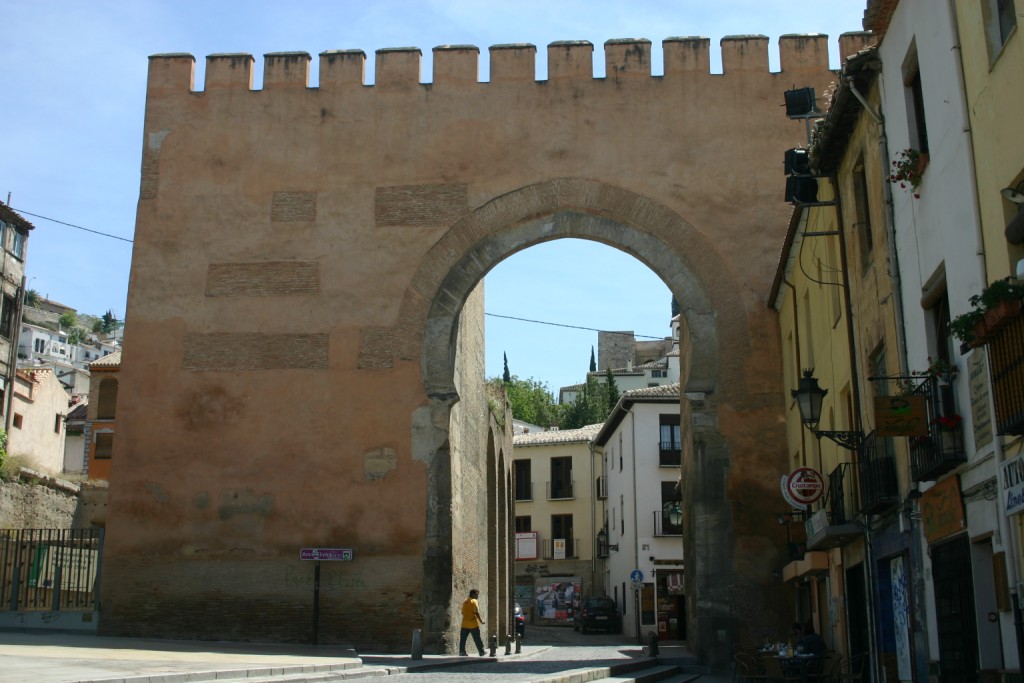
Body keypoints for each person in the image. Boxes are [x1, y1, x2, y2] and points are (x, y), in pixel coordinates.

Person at [459, 588, 486, 656]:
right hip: (473, 623)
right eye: (476, 594)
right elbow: (476, 612)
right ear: (472, 594)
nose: (477, 596)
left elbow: (462, 612)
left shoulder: (465, 601)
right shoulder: (474, 601)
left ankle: (462, 652)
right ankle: (481, 651)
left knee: (463, 639)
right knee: (477, 638)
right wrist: (481, 620)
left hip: (464, 623)